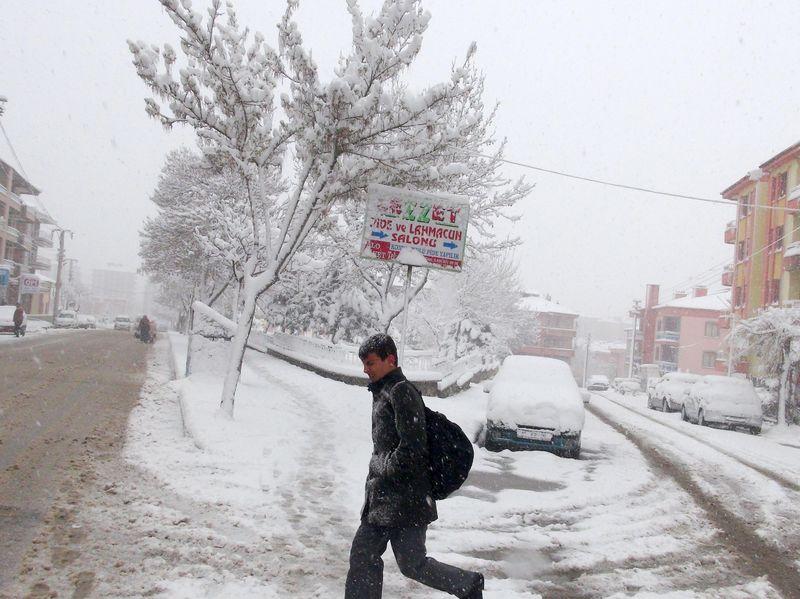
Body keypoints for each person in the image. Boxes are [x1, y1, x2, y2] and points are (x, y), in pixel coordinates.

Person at [345, 333, 483, 599]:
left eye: (371, 363)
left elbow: (412, 449)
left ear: (390, 359)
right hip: (391, 497)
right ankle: (467, 585)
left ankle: (468, 584)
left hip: (403, 499)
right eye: (364, 363)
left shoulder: (401, 393)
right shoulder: (385, 391)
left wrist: (382, 468)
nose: (365, 369)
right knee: (389, 559)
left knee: (390, 559)